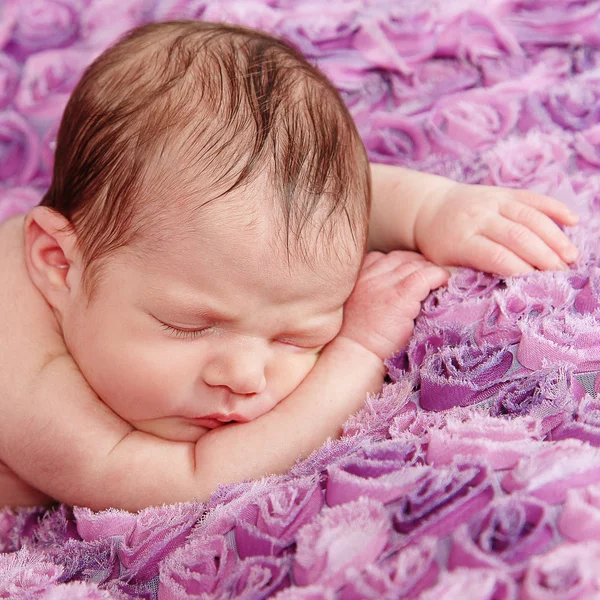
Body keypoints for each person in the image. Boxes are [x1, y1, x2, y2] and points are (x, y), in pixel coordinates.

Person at [0, 21, 578, 512]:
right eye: (189, 325)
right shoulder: (24, 374)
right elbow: (189, 479)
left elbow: (301, 213)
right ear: (58, 264)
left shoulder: (174, 256)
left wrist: (433, 209)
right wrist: (356, 351)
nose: (246, 377)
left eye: (300, 335)